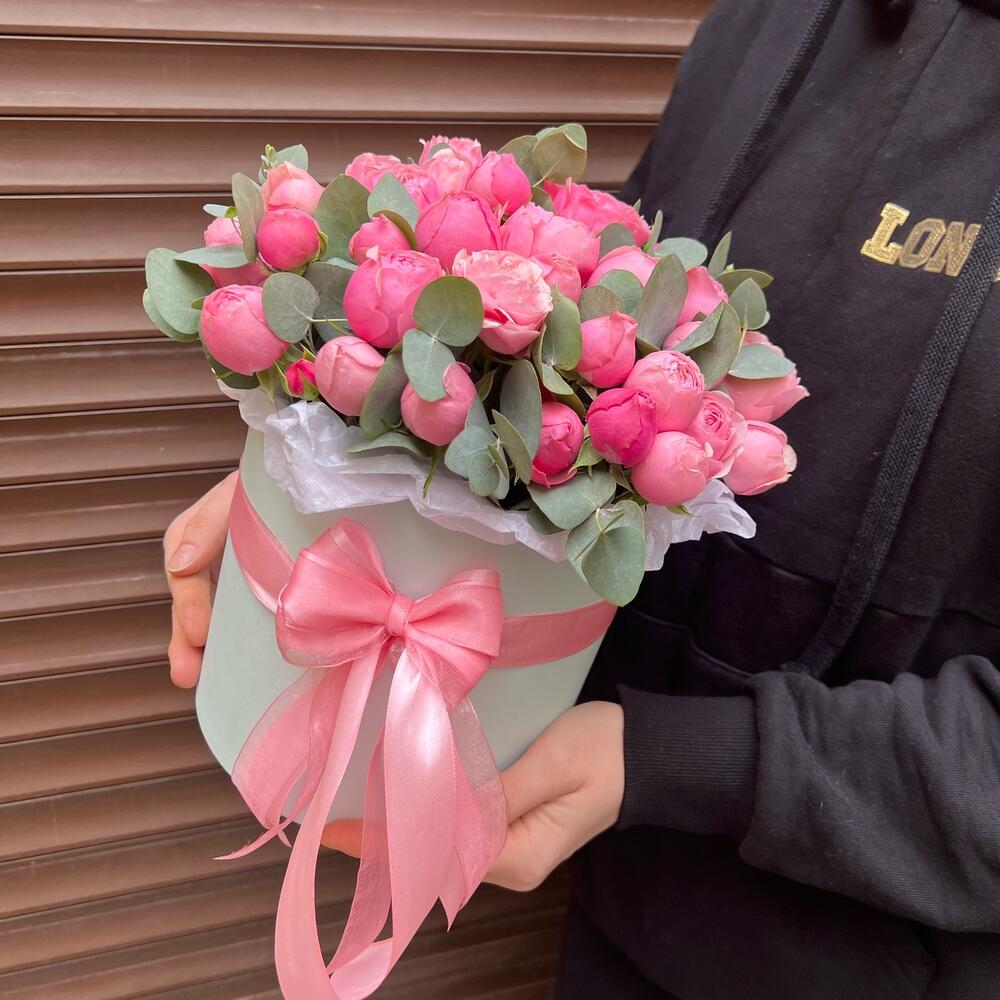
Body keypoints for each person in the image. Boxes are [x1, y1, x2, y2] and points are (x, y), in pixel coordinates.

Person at [165, 0, 1000, 995]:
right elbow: (591, 359)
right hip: (616, 908)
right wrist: (332, 481)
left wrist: (674, 760)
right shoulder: (768, 22)